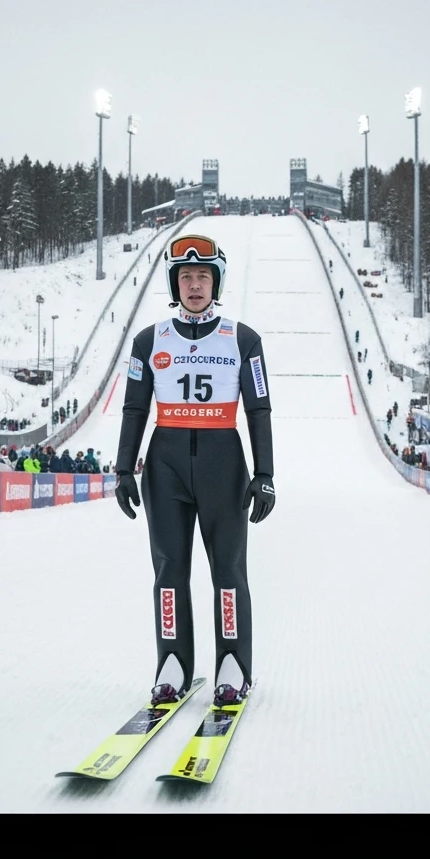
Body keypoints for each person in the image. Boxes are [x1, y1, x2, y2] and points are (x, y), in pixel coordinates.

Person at [114, 233, 274, 710]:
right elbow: (133, 409)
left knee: (227, 570)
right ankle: (173, 664)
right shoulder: (149, 341)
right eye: (186, 276)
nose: (195, 284)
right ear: (175, 283)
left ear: (216, 280)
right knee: (169, 570)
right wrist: (124, 468)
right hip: (165, 465)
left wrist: (265, 473)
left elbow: (259, 408)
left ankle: (233, 664)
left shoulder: (244, 339)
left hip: (223, 463)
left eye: (203, 275)